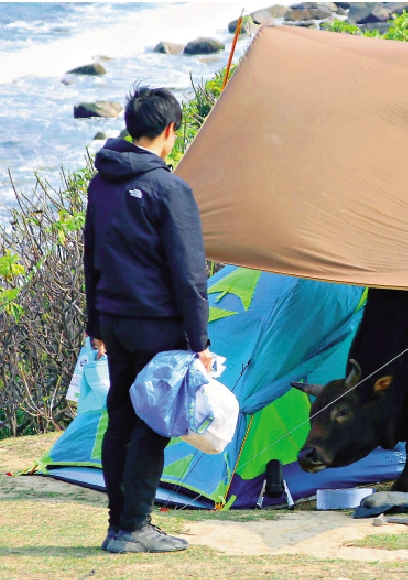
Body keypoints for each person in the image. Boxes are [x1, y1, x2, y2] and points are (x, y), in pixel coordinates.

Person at [84, 84, 215, 554]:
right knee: (152, 425)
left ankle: (119, 525)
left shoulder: (102, 183)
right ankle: (134, 526)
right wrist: (200, 340)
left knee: (121, 417)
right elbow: (189, 274)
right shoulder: (169, 189)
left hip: (115, 322)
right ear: (169, 130)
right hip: (157, 327)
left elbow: (91, 257)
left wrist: (94, 324)